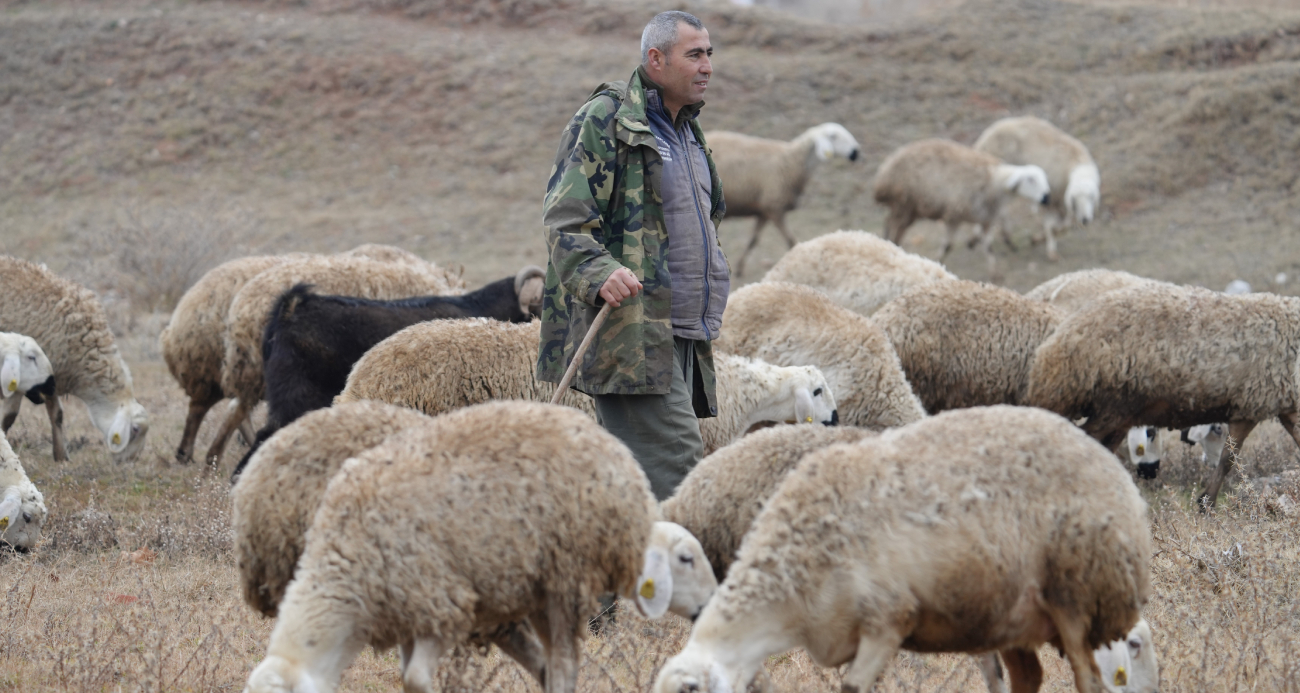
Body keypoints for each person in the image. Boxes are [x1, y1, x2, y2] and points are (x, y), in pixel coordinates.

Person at [536, 10, 730, 500]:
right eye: (695, 55)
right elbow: (565, 218)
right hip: (632, 335)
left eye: (709, 53)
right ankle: (658, 573)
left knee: (646, 481)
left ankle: (620, 567)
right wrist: (599, 270)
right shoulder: (607, 120)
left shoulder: (687, 132)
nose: (707, 65)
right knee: (678, 477)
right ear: (656, 59)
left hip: (685, 333)